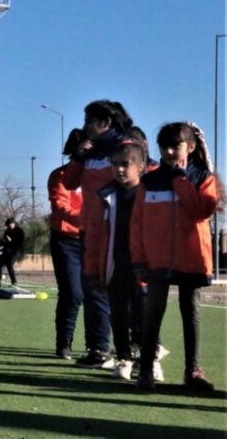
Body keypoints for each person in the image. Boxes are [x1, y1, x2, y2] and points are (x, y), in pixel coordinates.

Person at [132, 122, 224, 392]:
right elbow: (136, 224)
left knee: (191, 313)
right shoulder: (149, 181)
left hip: (192, 258)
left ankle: (193, 371)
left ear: (191, 147)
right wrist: (139, 259)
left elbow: (201, 210)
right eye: (164, 146)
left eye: (176, 146)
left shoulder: (203, 177)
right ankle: (145, 371)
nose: (169, 151)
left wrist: (180, 180)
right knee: (153, 313)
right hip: (156, 260)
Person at [63, 99, 134, 369]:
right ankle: (99, 349)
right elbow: (69, 182)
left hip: (117, 229)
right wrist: (79, 156)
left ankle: (139, 348)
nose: (85, 127)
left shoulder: (124, 146)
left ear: (105, 122)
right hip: (90, 229)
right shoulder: (90, 151)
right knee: (93, 287)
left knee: (123, 291)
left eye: (89, 121)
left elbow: (142, 175)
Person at [87, 142, 147, 379]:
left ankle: (148, 358)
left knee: (142, 314)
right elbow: (94, 234)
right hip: (115, 265)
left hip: (143, 266)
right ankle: (124, 358)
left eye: (125, 164)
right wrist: (93, 268)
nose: (119, 169)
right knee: (118, 314)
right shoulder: (106, 195)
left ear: (140, 166)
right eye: (114, 164)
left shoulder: (150, 194)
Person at [48, 129, 85, 360]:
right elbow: (60, 206)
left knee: (98, 295)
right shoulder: (60, 176)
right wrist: (85, 220)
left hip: (94, 240)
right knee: (72, 293)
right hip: (66, 241)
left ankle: (97, 345)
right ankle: (64, 343)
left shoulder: (101, 176)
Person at [0, 218, 24, 287]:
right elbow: (4, 242)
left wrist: (11, 240)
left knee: (9, 264)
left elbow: (20, 243)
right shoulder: (7, 231)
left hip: (16, 251)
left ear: (14, 223)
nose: (9, 226)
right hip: (7, 250)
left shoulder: (19, 231)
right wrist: (2, 241)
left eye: (11, 224)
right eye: (8, 225)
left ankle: (14, 282)